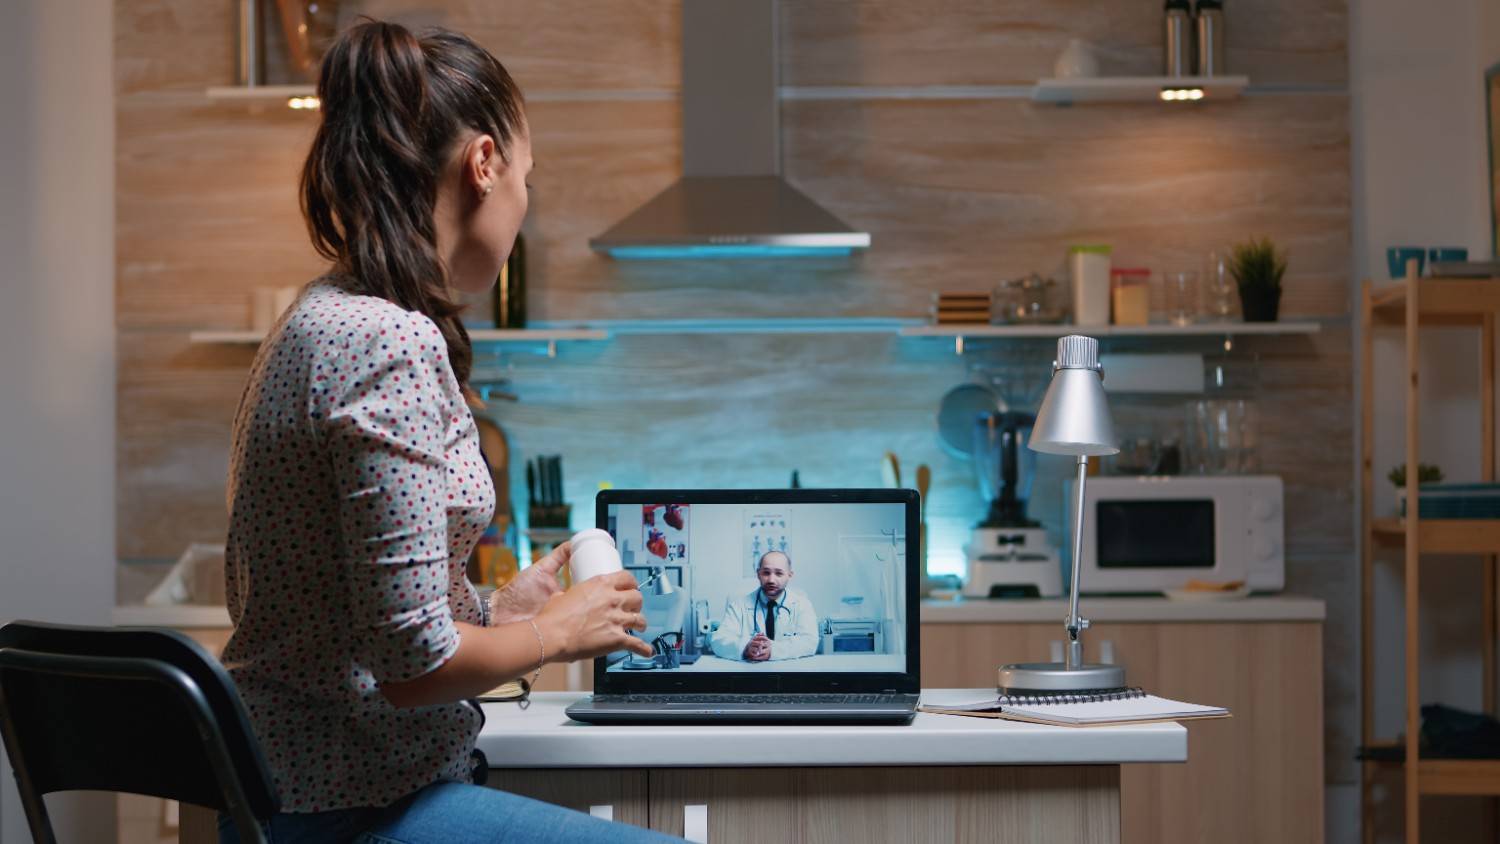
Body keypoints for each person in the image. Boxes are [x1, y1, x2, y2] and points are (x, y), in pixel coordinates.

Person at [218, 20, 678, 844]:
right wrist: (553, 633)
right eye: (527, 178)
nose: (523, 205)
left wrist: (495, 612)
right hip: (348, 807)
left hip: (298, 796)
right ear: (484, 164)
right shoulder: (385, 339)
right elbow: (411, 668)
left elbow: (365, 622)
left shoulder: (321, 313)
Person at [710, 551, 820, 662]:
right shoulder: (738, 606)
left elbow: (809, 642)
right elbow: (719, 640)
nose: (771, 580)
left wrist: (773, 650)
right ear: (758, 574)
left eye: (779, 573)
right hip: (749, 670)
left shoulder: (802, 605)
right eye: (766, 573)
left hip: (788, 670)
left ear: (789, 575)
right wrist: (745, 647)